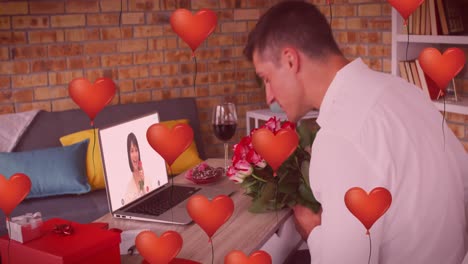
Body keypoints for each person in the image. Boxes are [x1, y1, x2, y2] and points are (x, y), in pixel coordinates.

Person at [244, 1, 468, 263]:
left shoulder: (342, 136)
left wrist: (313, 231)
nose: (268, 94)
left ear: (291, 60)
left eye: (267, 78)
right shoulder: (406, 91)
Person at [123, 132, 152, 204]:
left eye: (136, 150)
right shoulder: (128, 188)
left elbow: (151, 200)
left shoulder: (147, 178)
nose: (135, 155)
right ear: (128, 155)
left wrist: (142, 182)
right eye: (132, 151)